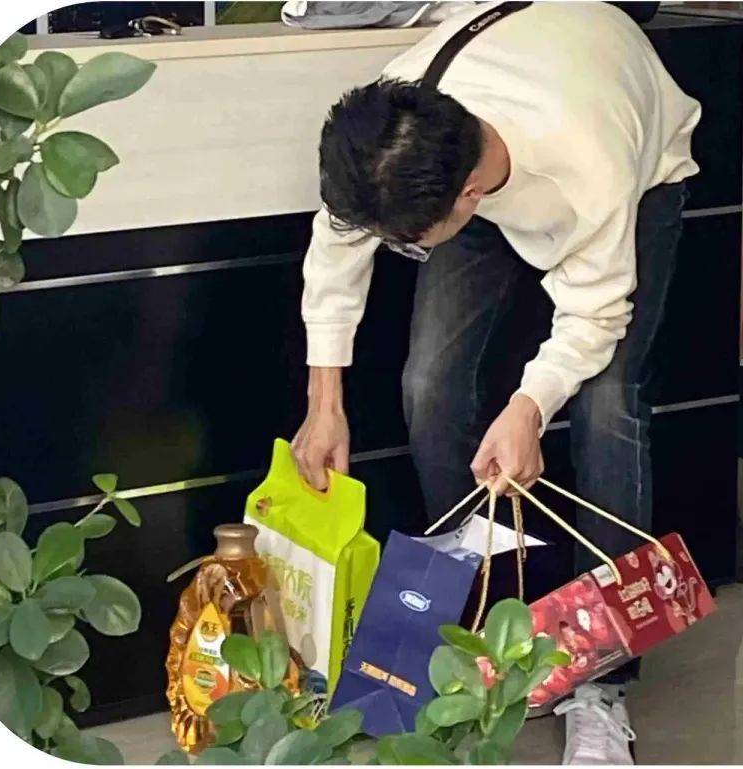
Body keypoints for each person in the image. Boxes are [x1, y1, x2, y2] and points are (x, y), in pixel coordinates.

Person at [291, 2, 700, 763]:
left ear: (469, 195)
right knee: (429, 384)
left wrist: (528, 407)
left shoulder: (590, 164)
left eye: (407, 243)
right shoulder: (397, 131)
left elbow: (594, 314)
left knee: (608, 405)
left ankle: (601, 682)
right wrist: (324, 405)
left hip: (632, 166)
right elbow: (336, 250)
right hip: (497, 145)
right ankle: (480, 633)